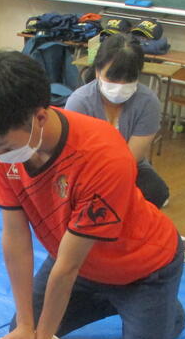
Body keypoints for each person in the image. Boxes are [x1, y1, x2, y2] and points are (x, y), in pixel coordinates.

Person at [0, 51, 185, 339]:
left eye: (3, 147)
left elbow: (67, 267)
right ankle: (129, 310)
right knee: (20, 333)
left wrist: (42, 338)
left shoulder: (104, 155)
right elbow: (15, 238)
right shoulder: (3, 141)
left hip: (142, 271)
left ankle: (165, 314)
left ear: (39, 116)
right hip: (80, 265)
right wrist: (27, 327)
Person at [65, 33, 170, 208]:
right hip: (87, 170)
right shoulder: (79, 102)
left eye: (128, 79)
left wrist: (114, 185)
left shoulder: (148, 102)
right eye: (113, 78)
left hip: (128, 168)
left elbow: (130, 158)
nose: (120, 85)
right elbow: (74, 157)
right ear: (97, 71)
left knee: (155, 191)